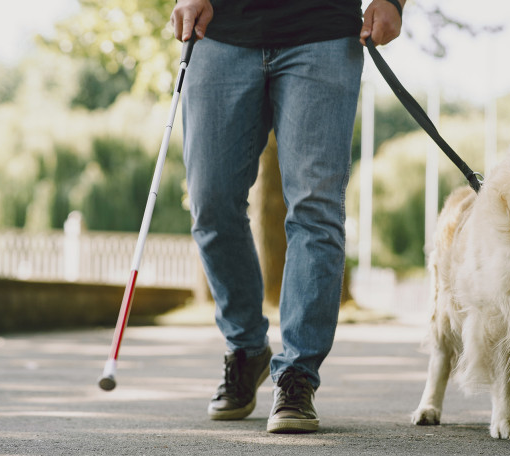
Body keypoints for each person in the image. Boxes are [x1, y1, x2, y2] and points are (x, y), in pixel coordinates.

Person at [170, 0, 405, 434]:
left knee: (316, 208)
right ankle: (246, 348)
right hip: (221, 32)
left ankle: (298, 374)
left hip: (323, 32)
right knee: (211, 201)